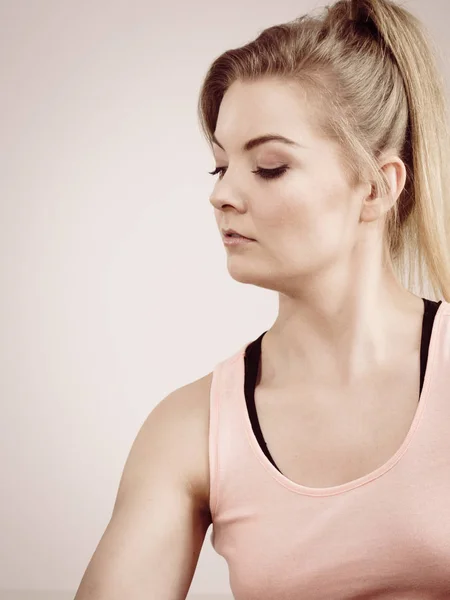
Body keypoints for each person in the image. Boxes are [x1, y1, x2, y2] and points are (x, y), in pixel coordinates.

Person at [74, 0, 450, 598]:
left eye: (269, 166)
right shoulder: (191, 430)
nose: (222, 194)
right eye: (219, 167)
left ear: (377, 187)